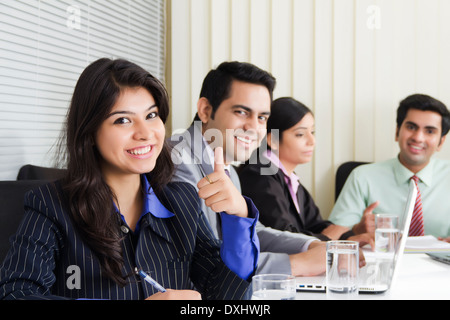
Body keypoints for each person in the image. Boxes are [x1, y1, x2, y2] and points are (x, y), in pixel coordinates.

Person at [0, 58, 259, 300]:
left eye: (151, 115)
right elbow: (17, 292)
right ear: (89, 132)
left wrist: (238, 214)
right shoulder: (51, 205)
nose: (145, 133)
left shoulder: (182, 201)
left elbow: (229, 294)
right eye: (123, 120)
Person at [170, 61, 360, 277]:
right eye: (242, 112)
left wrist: (310, 245)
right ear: (205, 110)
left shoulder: (228, 170)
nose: (253, 128)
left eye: (262, 118)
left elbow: (254, 232)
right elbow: (204, 261)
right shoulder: (178, 162)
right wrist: (297, 264)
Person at [239, 97, 364, 241]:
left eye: (313, 132)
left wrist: (350, 238)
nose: (312, 141)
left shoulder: (289, 178)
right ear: (272, 140)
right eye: (300, 134)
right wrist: (326, 238)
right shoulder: (260, 176)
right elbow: (284, 236)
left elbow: (316, 225)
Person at [329, 94, 450, 242]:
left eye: (430, 131)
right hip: (379, 262)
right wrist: (356, 231)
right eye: (411, 127)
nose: (418, 137)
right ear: (397, 132)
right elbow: (334, 237)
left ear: (441, 141)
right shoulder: (362, 176)